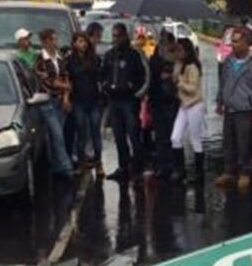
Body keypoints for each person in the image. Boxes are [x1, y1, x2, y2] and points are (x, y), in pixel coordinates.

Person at [215, 27, 252, 191]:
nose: (233, 45)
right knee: (228, 142)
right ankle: (229, 171)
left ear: (245, 43)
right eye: (232, 41)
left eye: (236, 41)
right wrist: (219, 101)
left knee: (244, 143)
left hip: (245, 110)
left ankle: (245, 172)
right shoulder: (228, 61)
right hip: (229, 108)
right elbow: (223, 82)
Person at [101, 22, 148, 181]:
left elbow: (143, 76)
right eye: (113, 36)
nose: (115, 39)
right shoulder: (109, 55)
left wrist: (136, 92)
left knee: (133, 135)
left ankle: (138, 167)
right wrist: (106, 87)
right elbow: (102, 74)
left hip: (129, 101)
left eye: (118, 36)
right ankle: (123, 167)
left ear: (124, 36)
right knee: (118, 136)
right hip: (114, 101)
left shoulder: (133, 55)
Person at [32, 28, 74, 178]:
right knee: (57, 135)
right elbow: (47, 81)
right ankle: (66, 166)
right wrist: (65, 87)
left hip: (60, 100)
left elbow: (66, 76)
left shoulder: (60, 57)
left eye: (55, 39)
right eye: (51, 39)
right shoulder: (40, 59)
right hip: (47, 101)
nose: (55, 42)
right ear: (44, 42)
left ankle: (56, 166)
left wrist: (66, 97)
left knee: (56, 135)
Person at [65, 31, 104, 178]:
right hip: (78, 100)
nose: (83, 44)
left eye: (85, 41)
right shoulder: (70, 60)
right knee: (81, 132)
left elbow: (99, 75)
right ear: (74, 43)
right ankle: (82, 162)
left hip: (93, 100)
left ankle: (98, 162)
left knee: (95, 132)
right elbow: (69, 78)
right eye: (80, 41)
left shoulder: (94, 58)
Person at [171, 39, 205, 184]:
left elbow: (192, 88)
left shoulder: (193, 67)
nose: (177, 53)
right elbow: (174, 80)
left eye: (180, 50)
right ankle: (179, 169)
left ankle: (199, 172)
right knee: (175, 137)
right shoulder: (179, 65)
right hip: (183, 105)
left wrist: (179, 82)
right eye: (176, 50)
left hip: (194, 104)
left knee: (195, 138)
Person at [147, 31, 179, 180]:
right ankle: (162, 165)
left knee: (172, 134)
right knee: (160, 135)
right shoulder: (155, 59)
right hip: (157, 99)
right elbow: (151, 76)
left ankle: (174, 165)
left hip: (171, 100)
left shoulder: (177, 59)